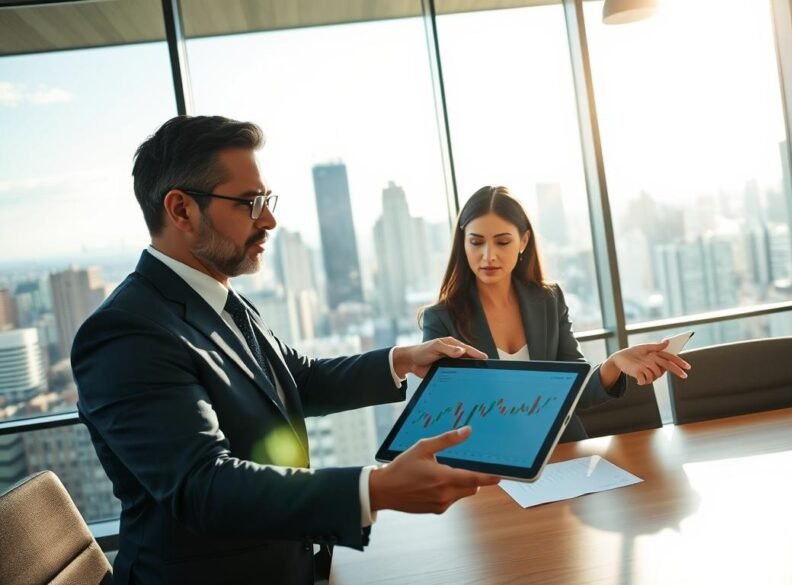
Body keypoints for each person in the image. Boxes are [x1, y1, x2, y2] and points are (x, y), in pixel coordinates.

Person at [71, 115, 499, 585]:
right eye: (251, 203)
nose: (270, 219)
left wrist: (401, 361)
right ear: (181, 211)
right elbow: (203, 487)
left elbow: (296, 379)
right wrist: (372, 490)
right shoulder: (125, 333)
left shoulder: (219, 296)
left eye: (267, 200)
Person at [421, 186, 690, 442]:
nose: (488, 255)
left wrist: (614, 363)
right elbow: (439, 417)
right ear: (463, 243)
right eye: (476, 242)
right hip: (489, 466)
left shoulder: (548, 300)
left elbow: (577, 389)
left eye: (503, 242)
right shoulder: (441, 320)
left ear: (523, 241)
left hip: (563, 450)